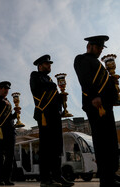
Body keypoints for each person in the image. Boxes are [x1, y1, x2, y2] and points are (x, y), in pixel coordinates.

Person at [74, 35, 120, 187]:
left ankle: (112, 174)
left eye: (101, 48)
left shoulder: (99, 65)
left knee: (111, 141)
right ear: (89, 46)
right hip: (96, 105)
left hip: (107, 105)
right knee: (102, 141)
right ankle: (106, 179)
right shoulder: (81, 59)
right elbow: (84, 78)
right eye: (97, 47)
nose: (99, 50)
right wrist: (93, 96)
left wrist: (114, 88)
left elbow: (105, 85)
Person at [30, 55, 74, 187]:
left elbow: (53, 96)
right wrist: (54, 85)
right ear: (40, 65)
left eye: (50, 64)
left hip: (55, 115)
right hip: (44, 115)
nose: (49, 66)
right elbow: (38, 88)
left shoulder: (48, 79)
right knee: (46, 147)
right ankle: (45, 179)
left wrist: (61, 98)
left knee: (56, 147)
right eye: (46, 64)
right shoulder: (35, 76)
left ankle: (57, 176)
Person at [0, 81, 19, 186]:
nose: (6, 90)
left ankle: (7, 179)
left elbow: (8, 117)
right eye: (4, 88)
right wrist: (3, 102)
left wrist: (16, 114)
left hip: (10, 131)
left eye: (7, 89)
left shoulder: (9, 103)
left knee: (10, 156)